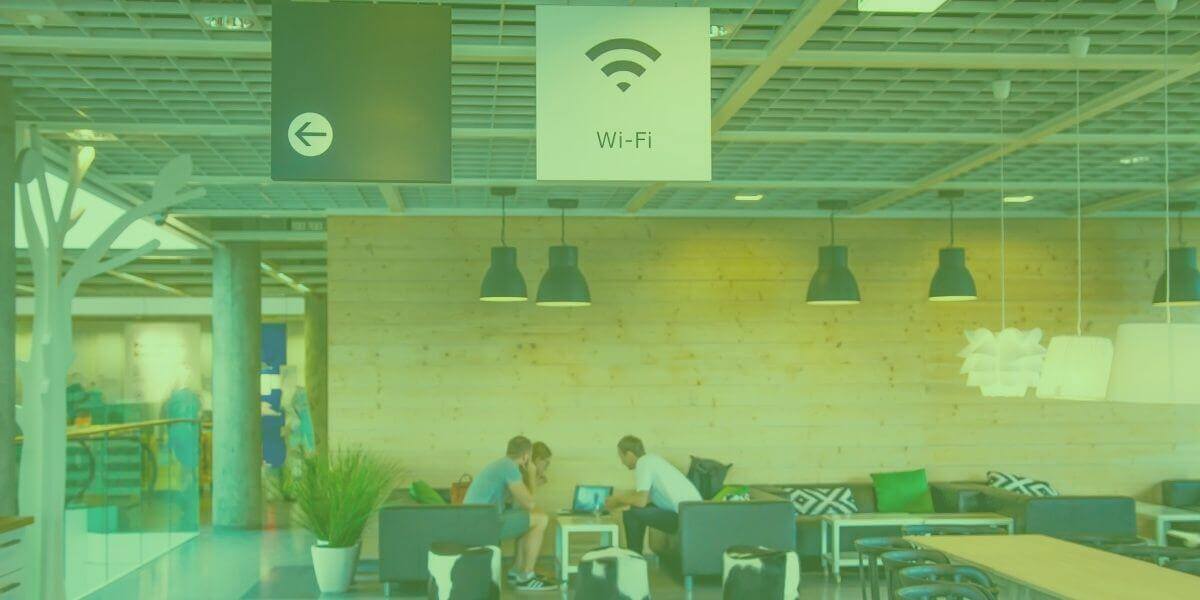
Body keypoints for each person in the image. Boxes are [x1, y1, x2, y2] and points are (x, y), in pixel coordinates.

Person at [463, 436, 557, 591]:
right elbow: (530, 504)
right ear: (526, 455)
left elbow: (517, 505)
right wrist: (532, 476)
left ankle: (516, 571)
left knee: (527, 517)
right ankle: (527, 576)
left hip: (476, 521)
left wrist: (532, 483)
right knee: (541, 519)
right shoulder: (509, 468)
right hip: (483, 524)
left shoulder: (502, 465)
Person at [604, 435, 702, 555]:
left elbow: (641, 501)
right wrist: (622, 502)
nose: (622, 462)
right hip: (691, 515)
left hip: (687, 518)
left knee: (631, 514)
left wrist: (617, 499)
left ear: (629, 455)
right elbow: (646, 498)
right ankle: (635, 558)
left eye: (621, 457)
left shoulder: (643, 463)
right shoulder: (652, 460)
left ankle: (634, 559)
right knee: (633, 510)